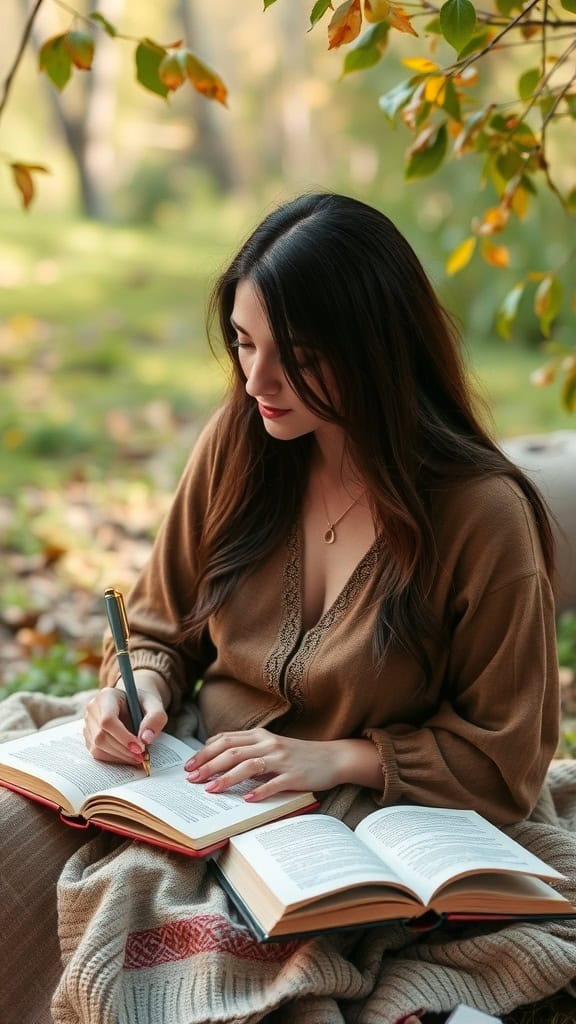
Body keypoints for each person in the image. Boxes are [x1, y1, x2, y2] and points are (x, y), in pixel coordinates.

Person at [1, 192, 574, 1024]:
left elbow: (508, 758)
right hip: (182, 782)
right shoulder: (239, 443)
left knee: (227, 978)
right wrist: (140, 692)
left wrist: (341, 758)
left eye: (295, 356)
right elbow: (159, 627)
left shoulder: (481, 517)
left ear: (377, 351)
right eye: (242, 342)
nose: (254, 380)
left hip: (348, 828)